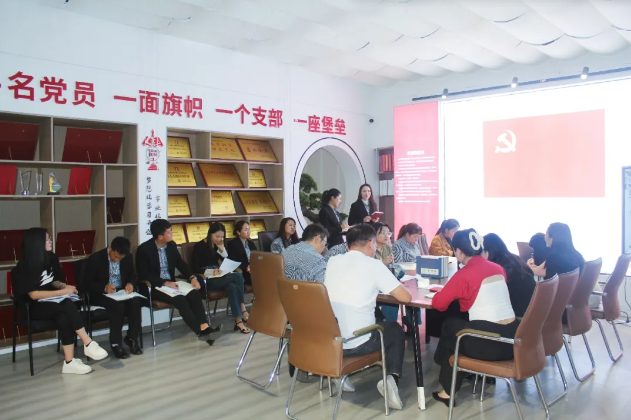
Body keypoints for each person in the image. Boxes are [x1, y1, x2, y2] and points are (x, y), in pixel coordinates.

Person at [325, 224, 412, 410]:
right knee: (395, 329)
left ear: (348, 245)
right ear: (371, 243)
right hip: (357, 343)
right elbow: (405, 298)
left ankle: (338, 374)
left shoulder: (333, 260)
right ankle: (391, 380)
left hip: (331, 341)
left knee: (376, 316)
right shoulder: (374, 265)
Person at [431, 229, 518, 407]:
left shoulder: (464, 274)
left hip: (490, 345)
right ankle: (447, 376)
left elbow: (439, 304)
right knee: (457, 329)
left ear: (459, 251)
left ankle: (447, 386)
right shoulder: (498, 268)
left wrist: (441, 292)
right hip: (513, 341)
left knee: (451, 327)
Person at [11, 228, 108, 374]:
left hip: (52, 302)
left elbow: (54, 280)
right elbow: (34, 295)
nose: (50, 241)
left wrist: (64, 286)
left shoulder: (51, 258)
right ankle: (88, 343)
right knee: (65, 304)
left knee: (64, 315)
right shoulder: (23, 267)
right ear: (37, 242)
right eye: (47, 239)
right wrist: (62, 292)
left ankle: (69, 362)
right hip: (33, 307)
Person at [135, 219, 220, 345]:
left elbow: (181, 264)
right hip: (155, 286)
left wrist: (192, 277)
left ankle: (205, 327)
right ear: (160, 236)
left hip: (171, 284)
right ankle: (200, 332)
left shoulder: (171, 246)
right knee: (181, 301)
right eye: (169, 232)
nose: (172, 234)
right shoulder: (144, 249)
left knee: (194, 294)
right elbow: (143, 274)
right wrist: (164, 282)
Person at [83, 236, 143, 359]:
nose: (117, 260)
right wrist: (104, 287)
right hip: (101, 294)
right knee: (117, 306)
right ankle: (116, 343)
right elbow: (86, 283)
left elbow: (132, 275)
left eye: (120, 258)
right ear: (110, 248)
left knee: (135, 301)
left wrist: (131, 284)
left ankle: (131, 338)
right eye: (115, 256)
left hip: (120, 292)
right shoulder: (95, 259)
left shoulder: (128, 257)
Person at [191, 222, 250, 334]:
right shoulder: (199, 246)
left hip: (219, 277)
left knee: (233, 286)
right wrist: (211, 271)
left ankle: (238, 321)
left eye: (222, 237)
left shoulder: (219, 245)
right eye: (217, 236)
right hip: (207, 279)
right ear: (210, 234)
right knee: (238, 276)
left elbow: (228, 262)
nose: (219, 239)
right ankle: (243, 309)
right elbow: (194, 268)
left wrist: (222, 250)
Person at [482, 233, 536, 318]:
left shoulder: (498, 269)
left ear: (487, 252)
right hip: (530, 314)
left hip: (516, 318)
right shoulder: (516, 259)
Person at [226, 221, 257, 285]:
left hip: (254, 268)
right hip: (243, 271)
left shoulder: (251, 243)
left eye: (249, 229)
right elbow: (233, 261)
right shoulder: (233, 244)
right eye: (246, 230)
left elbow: (256, 256)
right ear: (238, 232)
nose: (248, 232)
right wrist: (246, 266)